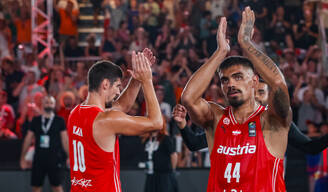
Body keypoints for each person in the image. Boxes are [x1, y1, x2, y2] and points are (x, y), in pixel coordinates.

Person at [181, 8, 291, 191]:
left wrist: (247, 44)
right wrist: (220, 53)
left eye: (238, 77)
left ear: (255, 81)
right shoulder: (216, 118)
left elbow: (279, 85)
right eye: (225, 80)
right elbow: (188, 98)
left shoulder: (270, 120)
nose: (230, 84)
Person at [67, 49, 163, 191]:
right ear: (105, 84)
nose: (119, 92)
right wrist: (147, 81)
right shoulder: (107, 120)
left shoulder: (75, 113)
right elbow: (156, 123)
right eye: (118, 86)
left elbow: (122, 106)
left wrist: (136, 79)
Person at [173, 80, 328, 154]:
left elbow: (310, 148)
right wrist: (182, 125)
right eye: (254, 92)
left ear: (269, 97)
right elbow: (195, 144)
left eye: (262, 92)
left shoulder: (277, 122)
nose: (257, 96)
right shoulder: (231, 121)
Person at [20, 96, 69, 192]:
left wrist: (69, 156)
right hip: (39, 159)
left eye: (51, 103)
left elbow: (65, 140)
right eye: (46, 102)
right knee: (36, 187)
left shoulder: (59, 120)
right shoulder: (36, 120)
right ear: (42, 104)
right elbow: (28, 139)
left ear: (54, 105)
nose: (49, 105)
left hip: (55, 159)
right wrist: (23, 158)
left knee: (57, 187)